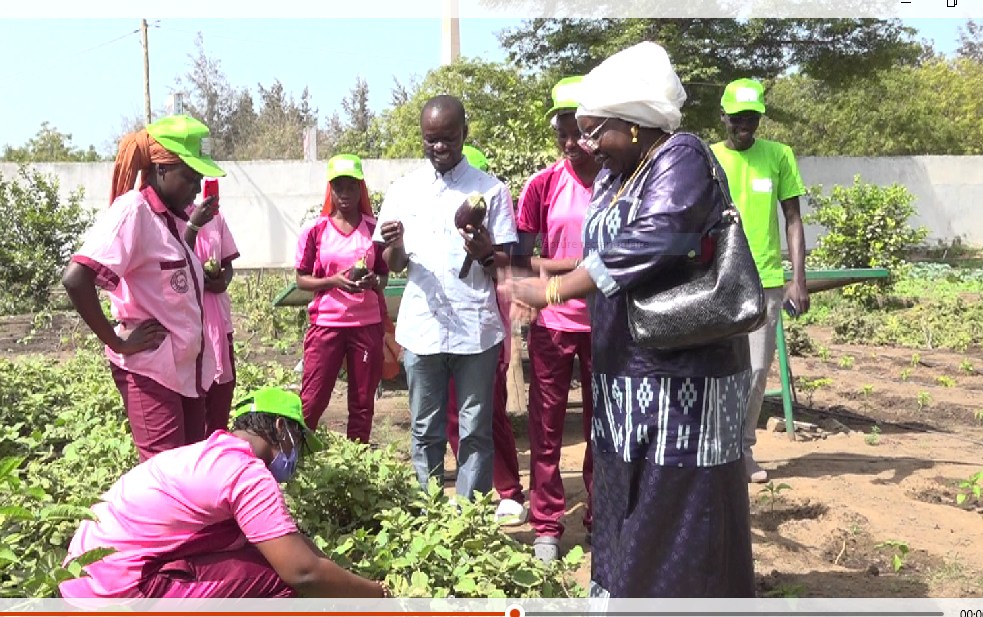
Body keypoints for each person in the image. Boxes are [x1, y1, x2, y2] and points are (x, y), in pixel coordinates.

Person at [510, 42, 754, 597]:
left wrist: (554, 288)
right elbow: (609, 249)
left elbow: (657, 240)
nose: (588, 144)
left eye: (597, 131)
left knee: (676, 501)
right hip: (624, 369)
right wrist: (553, 268)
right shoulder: (616, 175)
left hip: (681, 375)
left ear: (636, 123)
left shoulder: (681, 157)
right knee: (625, 492)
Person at [58, 387, 390, 600]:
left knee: (262, 553)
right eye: (299, 444)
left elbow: (293, 542)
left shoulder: (208, 454)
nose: (297, 458)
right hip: (115, 594)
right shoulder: (247, 474)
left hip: (79, 582)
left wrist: (331, 567)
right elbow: (303, 572)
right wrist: (376, 596)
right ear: (280, 428)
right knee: (284, 583)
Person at [373, 95, 518, 500]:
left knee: (475, 428)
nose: (440, 147)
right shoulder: (404, 191)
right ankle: (430, 513)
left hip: (475, 328)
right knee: (425, 428)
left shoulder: (490, 191)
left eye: (449, 138)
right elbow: (395, 262)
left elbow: (506, 262)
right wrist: (396, 244)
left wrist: (486, 252)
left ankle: (470, 522)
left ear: (464, 134)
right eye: (430, 139)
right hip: (423, 327)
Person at [62, 115, 223, 461]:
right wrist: (117, 341)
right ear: (161, 169)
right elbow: (76, 278)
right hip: (151, 372)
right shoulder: (133, 212)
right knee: (164, 477)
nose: (196, 188)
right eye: (190, 177)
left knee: (189, 472)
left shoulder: (175, 218)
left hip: (184, 371)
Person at [511, 76, 601, 562]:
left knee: (601, 427)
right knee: (545, 429)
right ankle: (547, 522)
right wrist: (529, 296)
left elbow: (612, 256)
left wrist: (556, 265)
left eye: (580, 132)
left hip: (605, 324)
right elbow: (526, 258)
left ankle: (599, 516)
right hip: (553, 325)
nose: (571, 144)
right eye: (562, 134)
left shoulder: (617, 181)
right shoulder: (542, 185)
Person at [711, 78, 809, 483]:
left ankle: (743, 449)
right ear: (724, 118)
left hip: (765, 279)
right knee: (716, 370)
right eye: (738, 119)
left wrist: (796, 279)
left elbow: (793, 219)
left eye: (752, 118)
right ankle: (716, 450)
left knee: (754, 371)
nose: (746, 126)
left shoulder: (779, 156)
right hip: (717, 280)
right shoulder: (708, 157)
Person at [445, 144, 528, 524]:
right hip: (444, 327)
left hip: (485, 327)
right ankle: (470, 488)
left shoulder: (498, 214)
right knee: (449, 413)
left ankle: (509, 490)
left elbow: (508, 269)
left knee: (487, 412)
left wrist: (485, 253)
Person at [295, 154, 389, 443]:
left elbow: (384, 275)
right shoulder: (316, 230)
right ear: (330, 191)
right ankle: (297, 455)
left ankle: (354, 460)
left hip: (366, 324)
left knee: (362, 402)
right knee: (312, 398)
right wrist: (333, 281)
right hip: (327, 324)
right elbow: (301, 278)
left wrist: (374, 282)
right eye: (339, 188)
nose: (345, 194)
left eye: (351, 187)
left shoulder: (374, 229)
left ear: (361, 189)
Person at [183, 182, 241, 436]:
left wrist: (221, 281)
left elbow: (227, 264)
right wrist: (193, 226)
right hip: (187, 319)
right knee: (193, 394)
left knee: (221, 395)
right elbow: (178, 256)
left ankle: (214, 450)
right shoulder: (166, 220)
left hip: (217, 317)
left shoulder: (215, 219)